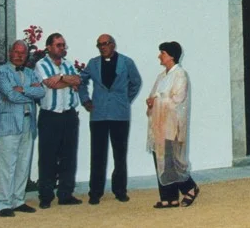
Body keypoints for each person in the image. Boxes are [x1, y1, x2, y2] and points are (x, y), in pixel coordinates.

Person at [78, 33, 143, 205]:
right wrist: (85, 99)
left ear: (113, 45)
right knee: (97, 154)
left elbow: (136, 82)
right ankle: (95, 192)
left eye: (106, 44)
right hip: (98, 115)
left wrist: (125, 100)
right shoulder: (93, 64)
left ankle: (120, 190)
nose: (103, 47)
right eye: (99, 45)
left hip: (119, 115)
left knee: (119, 154)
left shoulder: (126, 62)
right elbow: (80, 81)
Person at [0, 40, 45, 217]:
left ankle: (18, 200)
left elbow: (41, 92)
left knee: (24, 163)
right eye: (16, 52)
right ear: (10, 53)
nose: (19, 55)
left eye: (23, 53)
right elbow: (10, 95)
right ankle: (3, 204)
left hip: (28, 123)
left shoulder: (30, 72)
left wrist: (22, 89)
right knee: (8, 165)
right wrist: (30, 91)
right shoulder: (1, 71)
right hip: (8, 124)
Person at [146, 41, 199, 208]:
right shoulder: (162, 76)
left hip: (172, 124)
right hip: (159, 124)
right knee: (161, 159)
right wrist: (151, 101)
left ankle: (190, 187)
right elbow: (153, 95)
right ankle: (169, 198)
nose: (159, 56)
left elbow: (178, 99)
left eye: (162, 53)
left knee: (173, 159)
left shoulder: (180, 75)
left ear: (171, 56)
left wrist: (158, 100)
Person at [35, 32, 82, 208]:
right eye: (58, 45)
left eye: (63, 45)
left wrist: (62, 78)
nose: (62, 48)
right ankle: (45, 196)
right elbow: (50, 84)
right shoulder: (41, 64)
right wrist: (66, 81)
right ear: (49, 47)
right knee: (48, 156)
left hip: (69, 115)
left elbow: (77, 79)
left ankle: (65, 194)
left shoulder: (68, 64)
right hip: (50, 116)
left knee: (69, 156)